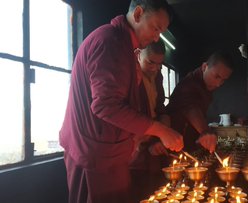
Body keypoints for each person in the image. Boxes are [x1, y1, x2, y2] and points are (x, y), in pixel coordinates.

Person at [59, 0, 183, 202]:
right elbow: (106, 105)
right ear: (138, 14)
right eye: (155, 28)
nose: (156, 37)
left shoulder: (124, 45)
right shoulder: (111, 41)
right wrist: (161, 130)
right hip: (94, 152)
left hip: (107, 152)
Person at [166, 50, 236, 153]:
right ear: (204, 67)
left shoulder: (206, 85)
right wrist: (205, 131)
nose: (218, 84)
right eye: (216, 76)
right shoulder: (189, 85)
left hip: (189, 141)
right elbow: (190, 108)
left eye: (223, 80)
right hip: (173, 142)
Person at [129, 40, 171, 202]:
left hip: (154, 135)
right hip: (136, 140)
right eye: (150, 62)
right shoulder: (130, 76)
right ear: (138, 54)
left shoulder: (157, 76)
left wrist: (162, 132)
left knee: (154, 188)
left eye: (160, 64)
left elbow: (160, 106)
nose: (155, 68)